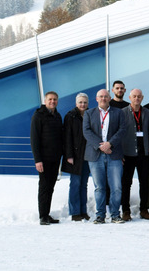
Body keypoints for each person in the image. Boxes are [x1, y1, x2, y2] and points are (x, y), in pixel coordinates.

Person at [83, 89, 127, 224]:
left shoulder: (118, 113)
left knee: (116, 187)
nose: (103, 98)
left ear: (109, 98)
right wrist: (101, 145)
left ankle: (115, 215)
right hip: (95, 155)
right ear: (96, 99)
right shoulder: (89, 113)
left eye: (105, 96)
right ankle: (100, 215)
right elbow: (86, 131)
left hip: (114, 155)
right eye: (101, 96)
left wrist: (110, 144)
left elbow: (122, 130)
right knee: (99, 187)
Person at [120, 89, 149, 221]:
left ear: (142, 97)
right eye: (134, 96)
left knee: (144, 183)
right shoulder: (122, 113)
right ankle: (126, 211)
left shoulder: (147, 112)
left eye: (139, 96)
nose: (137, 98)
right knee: (126, 183)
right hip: (127, 154)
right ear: (129, 97)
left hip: (143, 154)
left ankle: (144, 209)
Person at [31, 91, 64, 225]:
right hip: (43, 159)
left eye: (55, 99)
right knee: (44, 187)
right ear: (45, 100)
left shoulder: (57, 116)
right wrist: (37, 160)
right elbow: (34, 139)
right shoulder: (38, 116)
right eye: (50, 99)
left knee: (51, 186)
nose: (53, 101)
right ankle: (42, 216)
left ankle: (47, 213)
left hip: (55, 158)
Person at [63, 93, 90, 222]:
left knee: (84, 184)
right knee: (75, 183)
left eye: (85, 102)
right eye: (80, 102)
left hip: (87, 155)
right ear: (76, 103)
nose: (82, 105)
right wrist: (69, 155)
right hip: (74, 156)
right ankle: (75, 212)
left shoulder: (91, 114)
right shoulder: (70, 116)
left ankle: (83, 211)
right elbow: (67, 136)